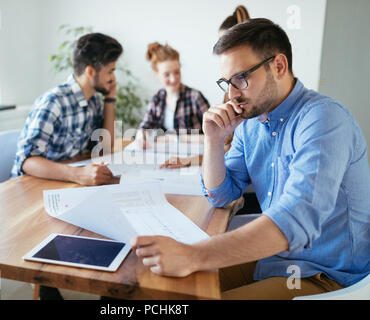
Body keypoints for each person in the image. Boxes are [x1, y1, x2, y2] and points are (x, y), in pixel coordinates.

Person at [132, 18, 370, 299]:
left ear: (279, 66)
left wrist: (192, 255)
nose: (231, 94)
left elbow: (296, 220)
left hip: (323, 274)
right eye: (226, 82)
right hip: (271, 257)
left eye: (240, 78)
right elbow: (221, 194)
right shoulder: (251, 122)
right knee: (156, 289)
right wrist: (214, 140)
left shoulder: (324, 119)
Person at [11, 33, 123, 186]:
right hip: (35, 185)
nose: (113, 78)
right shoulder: (54, 103)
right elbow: (27, 162)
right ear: (90, 72)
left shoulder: (94, 101)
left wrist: (109, 100)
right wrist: (77, 174)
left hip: (64, 182)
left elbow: (104, 148)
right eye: (110, 71)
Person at [160, 5, 250, 169]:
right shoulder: (230, 90)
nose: (221, 53)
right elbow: (228, 149)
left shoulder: (254, 96)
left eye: (226, 46)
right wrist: (191, 159)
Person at [135, 42, 209, 158]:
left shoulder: (195, 97)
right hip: (164, 158)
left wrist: (176, 138)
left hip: (193, 159)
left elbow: (215, 136)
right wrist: (141, 135)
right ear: (157, 74)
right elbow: (144, 127)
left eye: (177, 72)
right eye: (166, 75)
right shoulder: (157, 99)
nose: (173, 79)